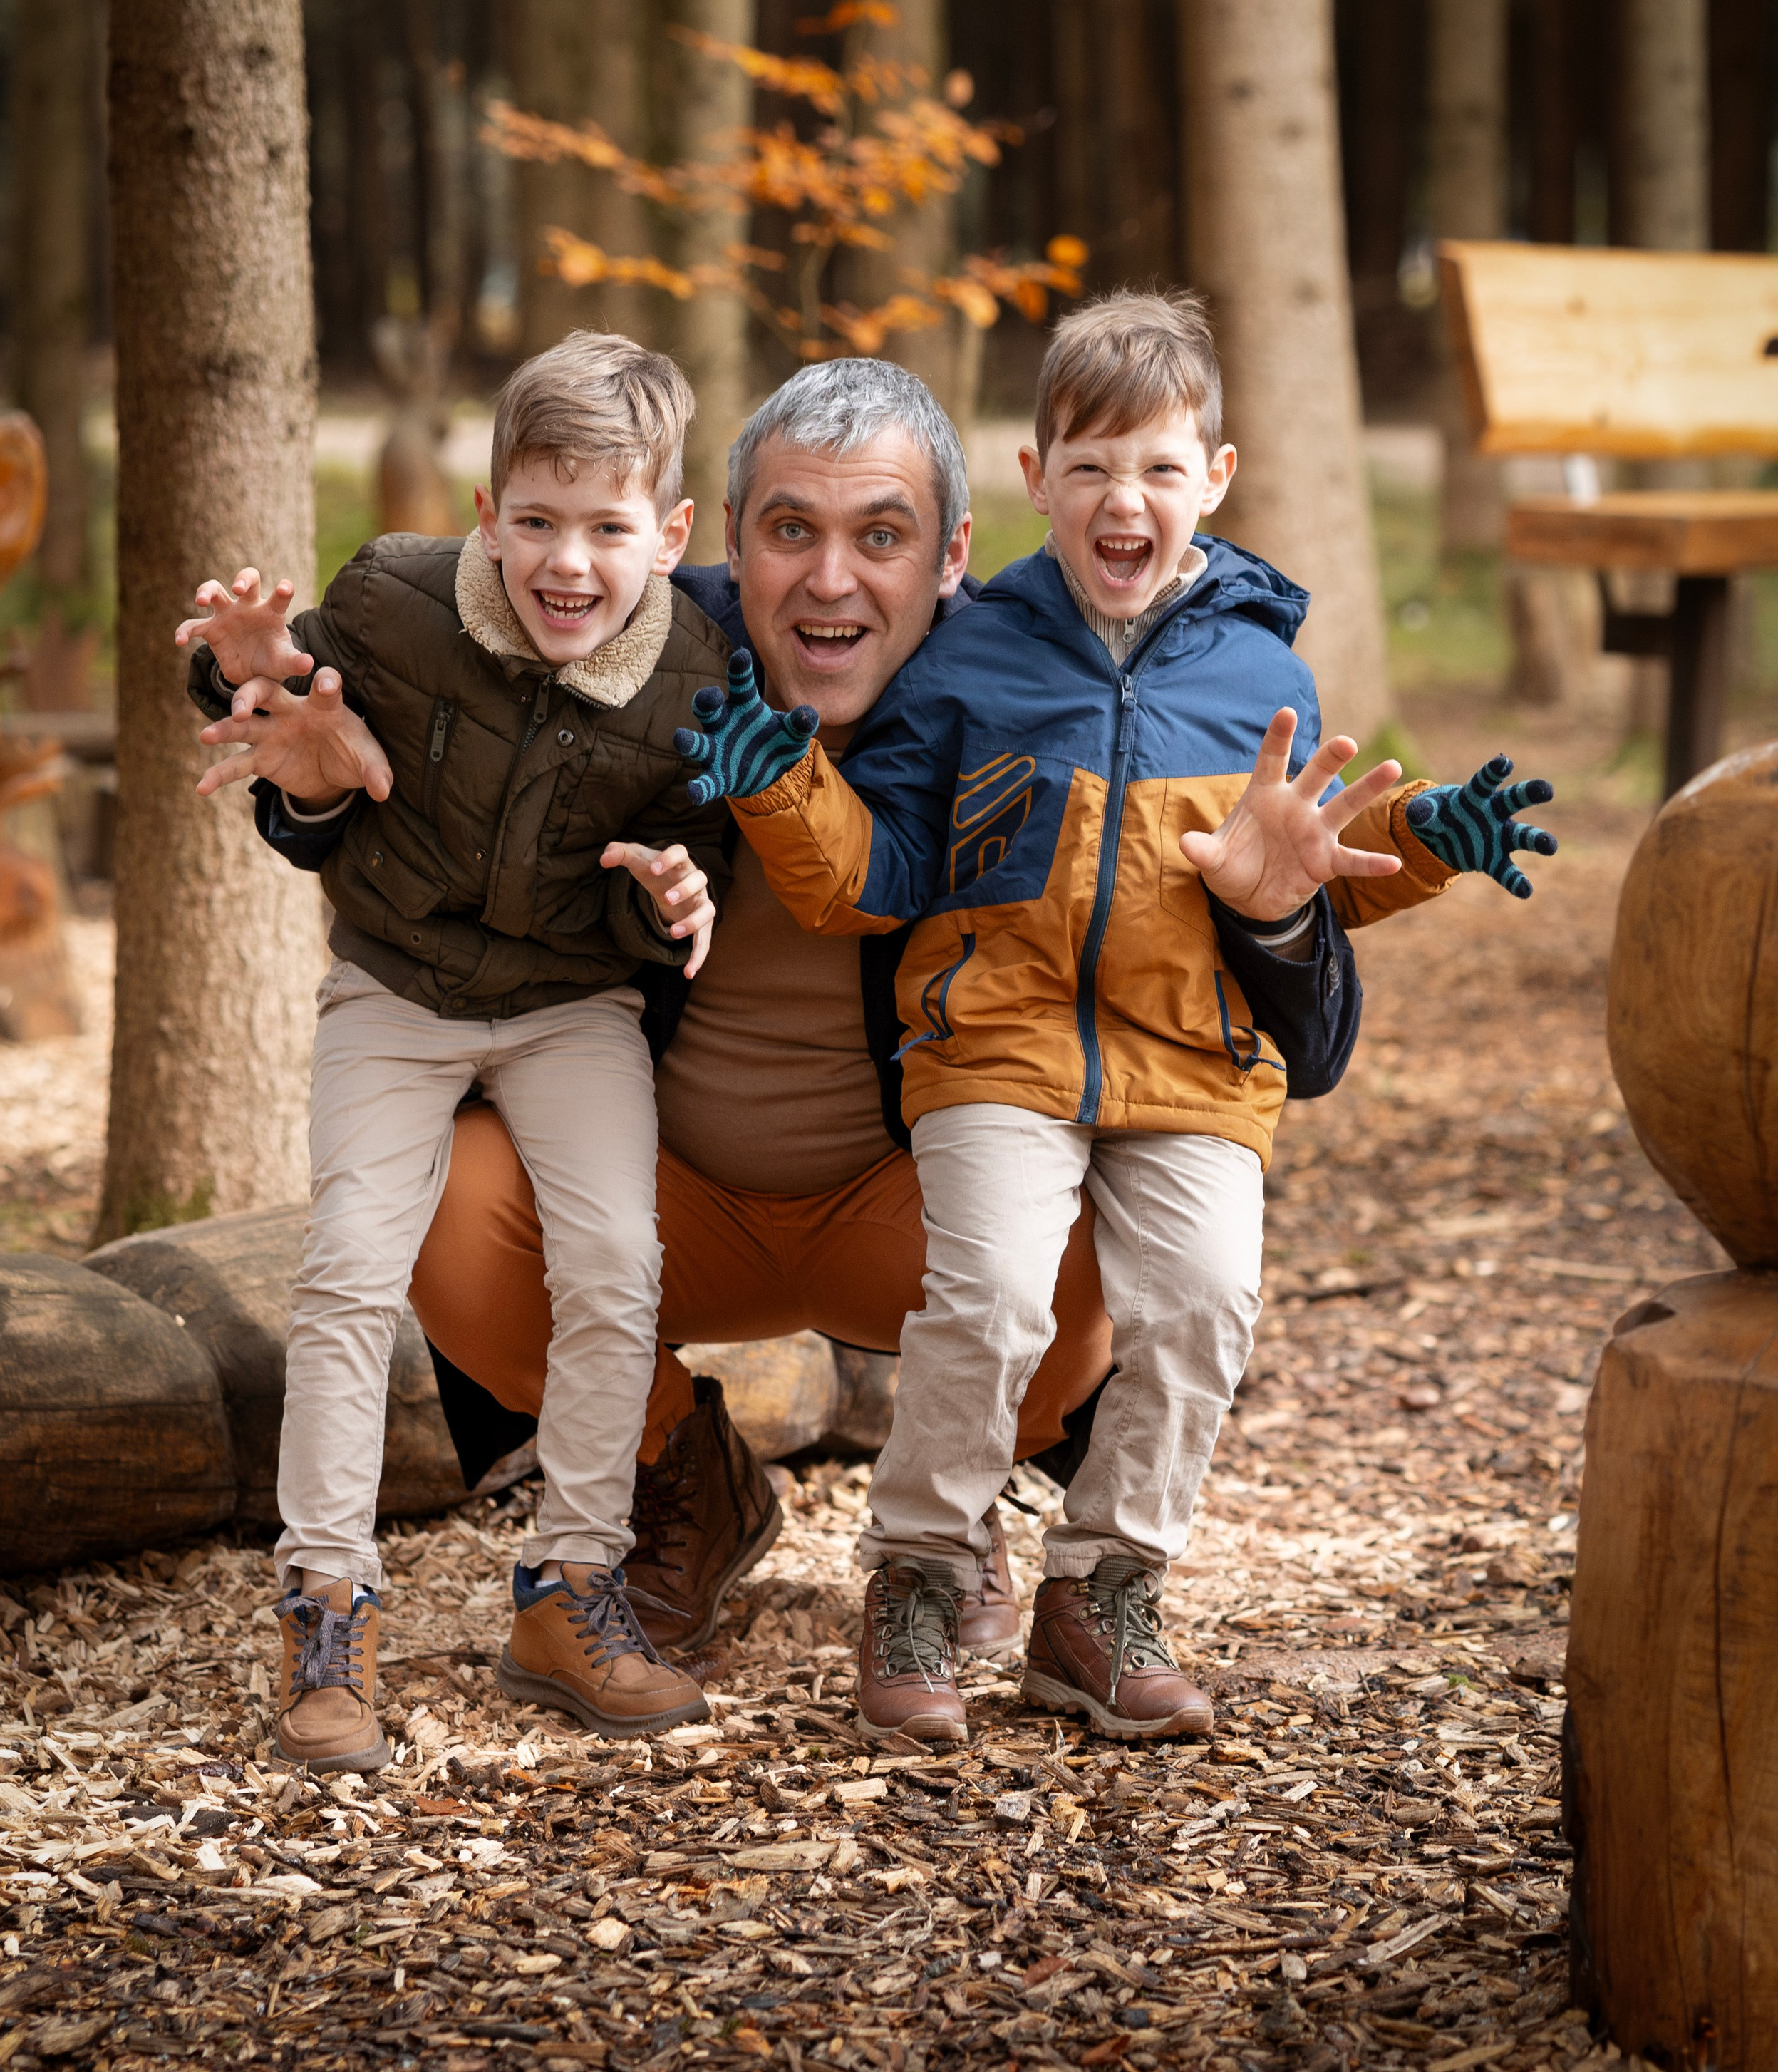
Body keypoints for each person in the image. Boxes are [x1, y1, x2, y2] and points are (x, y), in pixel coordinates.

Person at [264, 356, 1373, 1667]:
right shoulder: (639, 654)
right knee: (450, 1217)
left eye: (881, 536)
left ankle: (953, 1522)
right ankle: (681, 1473)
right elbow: (427, 722)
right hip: (662, 1185)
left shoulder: (1026, 703)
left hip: (909, 1202)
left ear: (954, 555)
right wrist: (313, 790)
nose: (831, 580)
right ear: (724, 539)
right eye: (791, 529)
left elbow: (1298, 1044)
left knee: (1086, 1254)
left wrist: (1273, 917)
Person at [676, 291, 1557, 1745]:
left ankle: (1099, 1593)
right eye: (1086, 467)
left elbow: (1301, 873)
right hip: (996, 1049)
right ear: (1034, 482)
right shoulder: (971, 661)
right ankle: (919, 1570)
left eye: (1155, 466)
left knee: (1204, 1304)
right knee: (993, 1298)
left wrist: (1425, 837)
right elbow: (879, 872)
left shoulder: (1260, 673)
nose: (1120, 499)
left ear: (1214, 474)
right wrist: (783, 782)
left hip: (1194, 1061)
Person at [176, 332, 733, 1768]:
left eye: (607, 527)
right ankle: (327, 1605)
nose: (567, 560)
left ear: (668, 534)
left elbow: (693, 850)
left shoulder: (694, 674)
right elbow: (304, 754)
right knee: (352, 1259)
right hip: (394, 988)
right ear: (486, 509)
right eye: (536, 519)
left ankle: (569, 1582)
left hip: (570, 1005)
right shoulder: (398, 600)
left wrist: (677, 893)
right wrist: (251, 699)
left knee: (614, 1256)